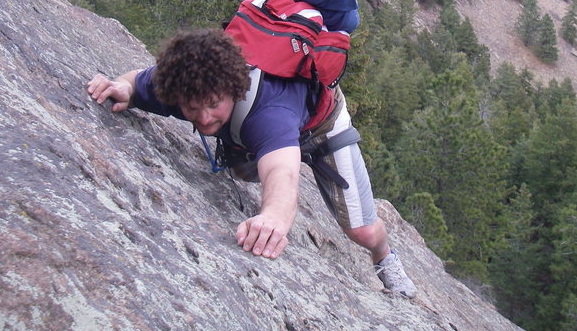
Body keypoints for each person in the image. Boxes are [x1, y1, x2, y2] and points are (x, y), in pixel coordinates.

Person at [87, 28, 417, 298]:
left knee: (361, 229)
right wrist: (124, 87)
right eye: (191, 109)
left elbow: (282, 172)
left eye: (213, 105)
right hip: (268, 137)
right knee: (245, 168)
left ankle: (385, 257)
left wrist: (273, 215)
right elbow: (138, 80)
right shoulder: (189, 84)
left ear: (233, 88)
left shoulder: (268, 115)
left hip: (322, 127)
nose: (203, 117)